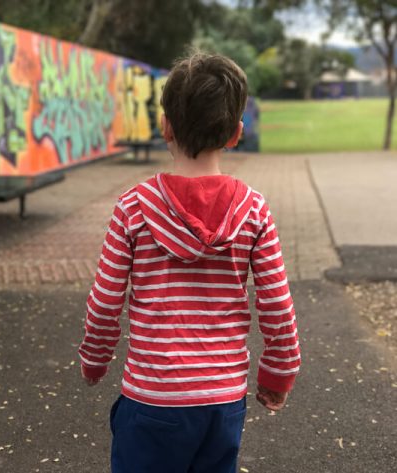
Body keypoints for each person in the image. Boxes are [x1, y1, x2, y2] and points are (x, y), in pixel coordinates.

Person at [78, 53, 300, 473]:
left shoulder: (133, 208)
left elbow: (105, 301)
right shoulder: (254, 210)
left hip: (150, 398)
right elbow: (277, 304)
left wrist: (95, 358)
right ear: (235, 134)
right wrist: (278, 373)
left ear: (165, 127)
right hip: (222, 402)